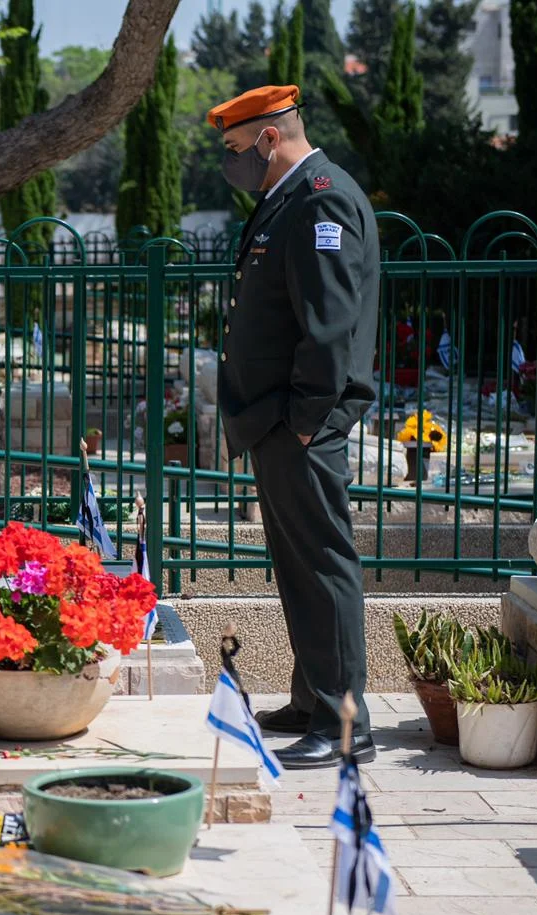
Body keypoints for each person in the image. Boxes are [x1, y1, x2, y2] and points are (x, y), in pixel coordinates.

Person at [206, 85, 379, 768]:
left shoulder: (321, 198)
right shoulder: (289, 199)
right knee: (297, 567)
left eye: (235, 148)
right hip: (275, 421)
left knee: (323, 566)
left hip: (298, 422)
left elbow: (330, 328)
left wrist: (307, 422)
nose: (231, 162)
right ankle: (311, 699)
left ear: (269, 139)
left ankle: (344, 724)